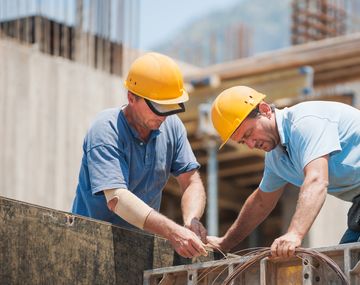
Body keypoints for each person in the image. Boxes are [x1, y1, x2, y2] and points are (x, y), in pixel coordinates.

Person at [71, 52, 207, 258]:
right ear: (131, 97)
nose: (164, 115)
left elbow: (191, 182)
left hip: (139, 249)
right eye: (158, 107)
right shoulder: (106, 129)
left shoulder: (172, 126)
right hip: (89, 245)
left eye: (170, 106)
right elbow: (117, 198)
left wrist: (191, 221)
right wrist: (172, 231)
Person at [207, 85, 360, 258]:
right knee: (346, 265)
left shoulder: (304, 122)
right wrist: (226, 242)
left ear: (264, 110)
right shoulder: (276, 158)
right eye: (243, 142)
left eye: (249, 133)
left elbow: (317, 180)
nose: (250, 145)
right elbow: (261, 202)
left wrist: (295, 233)